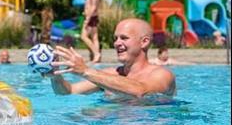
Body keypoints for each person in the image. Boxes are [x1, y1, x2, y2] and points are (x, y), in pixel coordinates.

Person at [47, 18, 176, 98]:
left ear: (144, 42)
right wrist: (55, 75)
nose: (116, 43)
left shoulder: (162, 75)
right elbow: (68, 91)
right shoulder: (110, 74)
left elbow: (141, 91)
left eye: (124, 38)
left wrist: (85, 70)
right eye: (115, 38)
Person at [81, 0, 101, 64]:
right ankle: (97, 56)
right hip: (93, 18)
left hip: (91, 18)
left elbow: (93, 7)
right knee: (94, 37)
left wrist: (87, 19)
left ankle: (96, 53)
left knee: (83, 36)